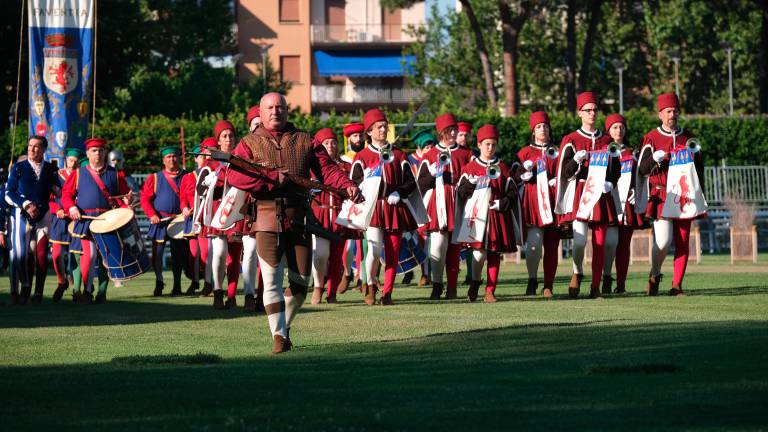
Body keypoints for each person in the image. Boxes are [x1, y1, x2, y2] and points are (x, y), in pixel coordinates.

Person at [227, 92, 359, 353]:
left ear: (287, 111)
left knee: (300, 285)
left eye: (280, 107)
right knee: (272, 280)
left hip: (298, 218)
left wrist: (347, 185)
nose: (275, 111)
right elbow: (235, 176)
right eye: (270, 108)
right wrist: (269, 180)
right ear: (261, 113)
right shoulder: (248, 143)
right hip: (264, 218)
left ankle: (283, 328)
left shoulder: (305, 140)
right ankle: (278, 337)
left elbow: (328, 170)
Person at [637, 93, 704, 296]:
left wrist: (701, 194)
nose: (672, 114)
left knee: (683, 241)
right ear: (660, 114)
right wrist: (655, 160)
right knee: (664, 240)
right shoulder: (651, 137)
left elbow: (699, 168)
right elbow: (641, 169)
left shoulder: (688, 137)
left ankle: (677, 285)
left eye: (675, 111)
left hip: (685, 195)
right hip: (662, 195)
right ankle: (655, 273)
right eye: (668, 111)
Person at [351, 108, 419, 306]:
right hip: (373, 209)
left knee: (393, 252)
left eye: (384, 126)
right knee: (373, 250)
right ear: (369, 132)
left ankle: (387, 292)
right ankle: (371, 284)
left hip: (394, 208)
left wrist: (399, 192)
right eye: (378, 127)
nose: (383, 129)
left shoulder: (399, 155)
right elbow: (355, 183)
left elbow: (410, 182)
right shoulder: (362, 156)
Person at [555, 91, 619, 299]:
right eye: (588, 110)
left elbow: (615, 167)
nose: (592, 113)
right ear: (580, 113)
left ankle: (595, 286)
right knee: (580, 241)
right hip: (580, 192)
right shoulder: (571, 139)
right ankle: (577, 271)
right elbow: (563, 172)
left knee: (600, 242)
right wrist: (575, 161)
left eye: (594, 110)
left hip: (601, 193)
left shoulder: (607, 139)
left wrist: (611, 181)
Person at [62, 138, 132, 304]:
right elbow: (66, 195)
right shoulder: (78, 173)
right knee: (90, 254)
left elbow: (122, 197)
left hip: (108, 221)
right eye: (93, 150)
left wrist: (127, 206)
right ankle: (87, 291)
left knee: (106, 259)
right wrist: (72, 208)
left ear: (105, 152)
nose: (97, 154)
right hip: (86, 221)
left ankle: (101, 293)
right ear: (87, 153)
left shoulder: (115, 173)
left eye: (100, 150)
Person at [456, 124, 519, 302]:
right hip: (477, 218)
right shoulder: (470, 167)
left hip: (497, 215)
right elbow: (460, 193)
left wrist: (502, 203)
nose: (490, 148)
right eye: (487, 144)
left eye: (493, 144)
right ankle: (475, 281)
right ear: (479, 144)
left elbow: (512, 193)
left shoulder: (503, 167)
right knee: (478, 254)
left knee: (494, 253)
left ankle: (490, 290)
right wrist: (471, 184)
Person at [417, 113, 473, 300]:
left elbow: (474, 178)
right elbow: (421, 184)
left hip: (459, 203)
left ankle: (452, 288)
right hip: (437, 205)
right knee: (438, 247)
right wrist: (432, 175)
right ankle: (437, 283)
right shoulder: (430, 155)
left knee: (455, 249)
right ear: (441, 133)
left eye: (455, 129)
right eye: (449, 130)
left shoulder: (466, 154)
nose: (454, 133)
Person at [4, 136, 58, 304]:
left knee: (41, 255)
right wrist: (26, 205)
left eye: (36, 147)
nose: (32, 149)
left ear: (43, 150)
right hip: (21, 216)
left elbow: (60, 189)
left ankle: (38, 293)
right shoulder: (18, 167)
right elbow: (9, 193)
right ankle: (24, 285)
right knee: (20, 256)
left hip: (43, 216)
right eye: (30, 146)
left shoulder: (50, 169)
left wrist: (62, 194)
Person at [310, 128, 359, 304]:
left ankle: (332, 293)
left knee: (337, 256)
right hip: (320, 214)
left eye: (333, 142)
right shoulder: (312, 167)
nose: (330, 145)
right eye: (326, 143)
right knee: (320, 254)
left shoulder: (346, 167)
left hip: (340, 214)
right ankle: (318, 286)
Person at [601, 113, 647, 294]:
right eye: (614, 127)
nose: (618, 130)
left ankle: (621, 283)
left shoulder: (632, 153)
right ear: (608, 130)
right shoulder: (603, 151)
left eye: (621, 127)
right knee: (610, 243)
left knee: (624, 247)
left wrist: (637, 191)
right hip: (609, 202)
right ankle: (605, 276)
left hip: (627, 204)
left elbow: (641, 176)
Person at [516, 111, 561, 298]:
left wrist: (558, 179)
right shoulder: (524, 152)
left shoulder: (558, 151)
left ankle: (548, 284)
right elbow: (515, 175)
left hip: (553, 201)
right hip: (533, 203)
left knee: (552, 246)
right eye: (539, 126)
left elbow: (565, 172)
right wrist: (522, 175)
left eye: (545, 126)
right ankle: (532, 279)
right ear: (533, 131)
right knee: (533, 244)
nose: (543, 129)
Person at [204, 120, 245, 309]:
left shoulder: (241, 159)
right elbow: (203, 188)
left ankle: (232, 295)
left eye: (231, 136)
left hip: (235, 211)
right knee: (219, 253)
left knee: (235, 256)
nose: (228, 139)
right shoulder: (211, 162)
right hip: (217, 212)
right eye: (224, 136)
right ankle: (218, 291)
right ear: (218, 140)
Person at [141, 146, 188, 296]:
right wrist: (151, 215)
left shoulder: (187, 176)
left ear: (179, 158)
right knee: (158, 254)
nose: (172, 159)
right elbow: (145, 199)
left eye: (174, 156)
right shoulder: (154, 178)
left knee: (179, 255)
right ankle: (159, 281)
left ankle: (177, 285)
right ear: (163, 160)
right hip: (160, 221)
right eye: (168, 157)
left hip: (180, 221)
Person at [49, 147, 84, 301]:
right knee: (56, 254)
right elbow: (48, 198)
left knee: (77, 256)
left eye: (76, 161)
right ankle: (62, 281)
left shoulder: (83, 176)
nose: (73, 163)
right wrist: (57, 209)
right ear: (66, 161)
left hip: (77, 218)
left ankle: (77, 288)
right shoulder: (55, 177)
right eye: (71, 160)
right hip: (60, 218)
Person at [337, 122, 366, 294]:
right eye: (355, 136)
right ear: (349, 139)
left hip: (366, 201)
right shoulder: (344, 160)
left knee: (366, 243)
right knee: (348, 244)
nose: (359, 139)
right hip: (349, 203)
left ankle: (364, 278)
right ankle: (347, 273)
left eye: (361, 135)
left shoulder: (368, 155)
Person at [406, 129, 436, 287]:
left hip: (430, 204)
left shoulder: (436, 160)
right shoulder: (410, 161)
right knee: (413, 240)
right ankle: (410, 270)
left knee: (427, 240)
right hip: (413, 204)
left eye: (432, 146)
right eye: (427, 147)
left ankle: (426, 273)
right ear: (419, 147)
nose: (430, 150)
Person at [179, 144, 206, 296]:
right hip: (192, 218)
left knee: (207, 253)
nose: (204, 160)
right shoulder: (188, 177)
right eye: (201, 157)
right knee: (193, 254)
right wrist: (184, 208)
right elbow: (182, 198)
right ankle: (195, 281)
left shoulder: (212, 173)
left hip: (207, 217)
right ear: (196, 159)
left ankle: (211, 282)